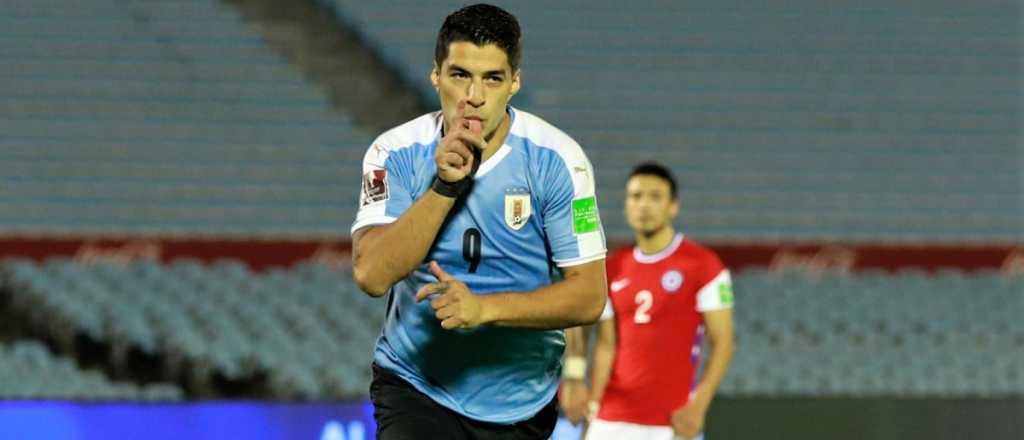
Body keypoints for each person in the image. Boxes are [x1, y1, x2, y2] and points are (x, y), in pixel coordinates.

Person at [350, 4, 608, 439]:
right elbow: (371, 275)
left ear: (514, 83)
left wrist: (485, 309)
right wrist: (444, 187)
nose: (474, 95)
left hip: (520, 403)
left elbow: (589, 296)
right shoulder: (393, 153)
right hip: (416, 385)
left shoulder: (560, 161)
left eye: (492, 78)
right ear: (436, 76)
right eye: (459, 75)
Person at [559, 162, 736, 440]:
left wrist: (698, 407)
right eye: (636, 196)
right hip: (611, 419)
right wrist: (590, 402)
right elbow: (605, 344)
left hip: (671, 423)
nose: (644, 205)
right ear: (626, 205)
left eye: (655, 197)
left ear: (673, 206)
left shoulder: (703, 265)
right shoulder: (612, 268)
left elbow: (723, 342)